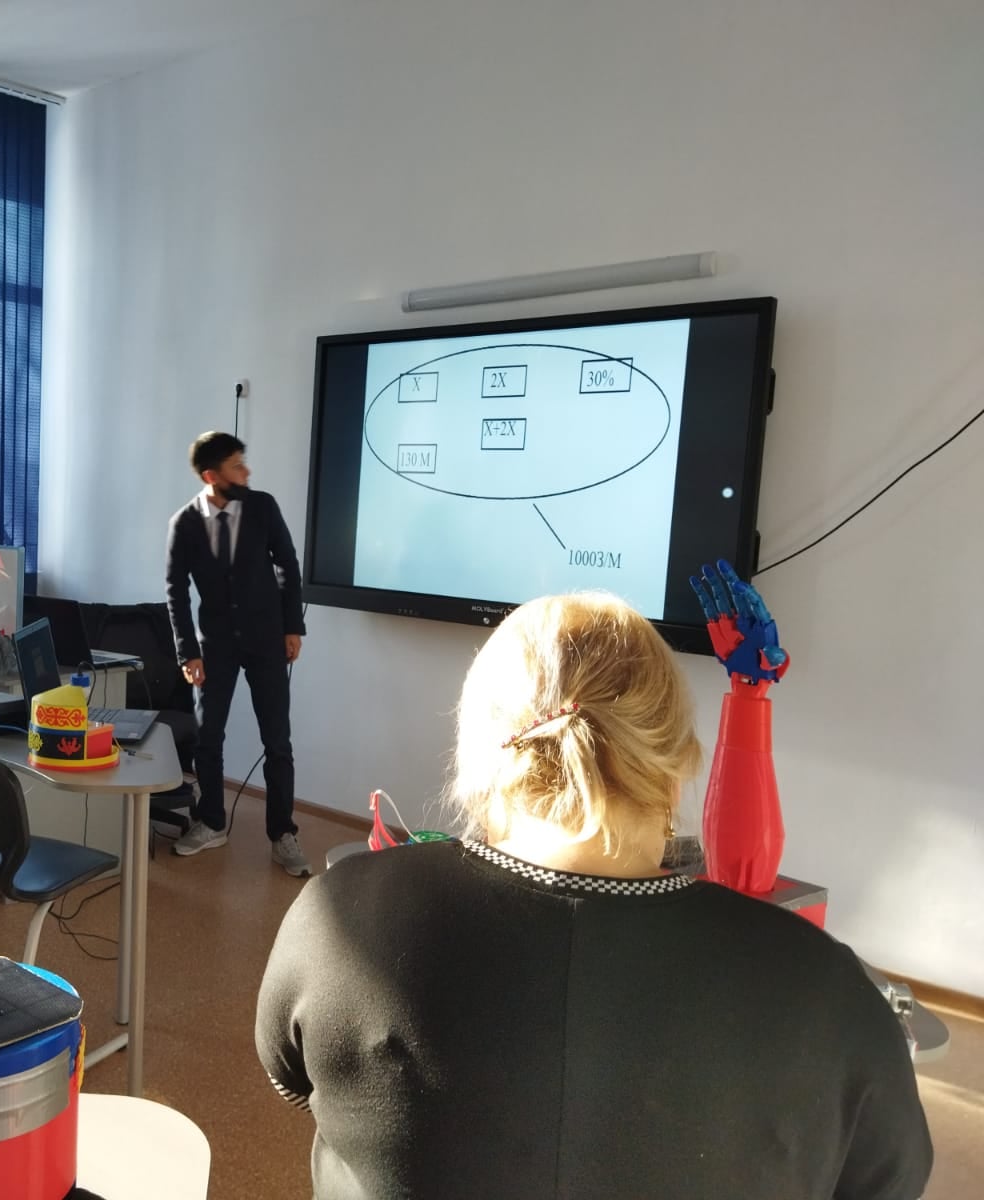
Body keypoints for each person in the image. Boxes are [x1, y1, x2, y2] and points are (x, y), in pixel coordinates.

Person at [255, 590, 931, 1199]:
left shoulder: (337, 916)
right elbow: (888, 1178)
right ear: (674, 770)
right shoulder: (825, 985)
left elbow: (293, 1078)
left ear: (480, 758)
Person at [165, 431, 310, 876]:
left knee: (277, 741)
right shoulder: (184, 524)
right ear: (212, 476)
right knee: (208, 737)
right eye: (236, 466)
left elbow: (287, 563)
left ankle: (282, 833)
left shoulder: (263, 507)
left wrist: (292, 626)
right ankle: (211, 822)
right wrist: (188, 653)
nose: (246, 472)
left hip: (267, 640)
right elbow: (175, 591)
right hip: (214, 646)